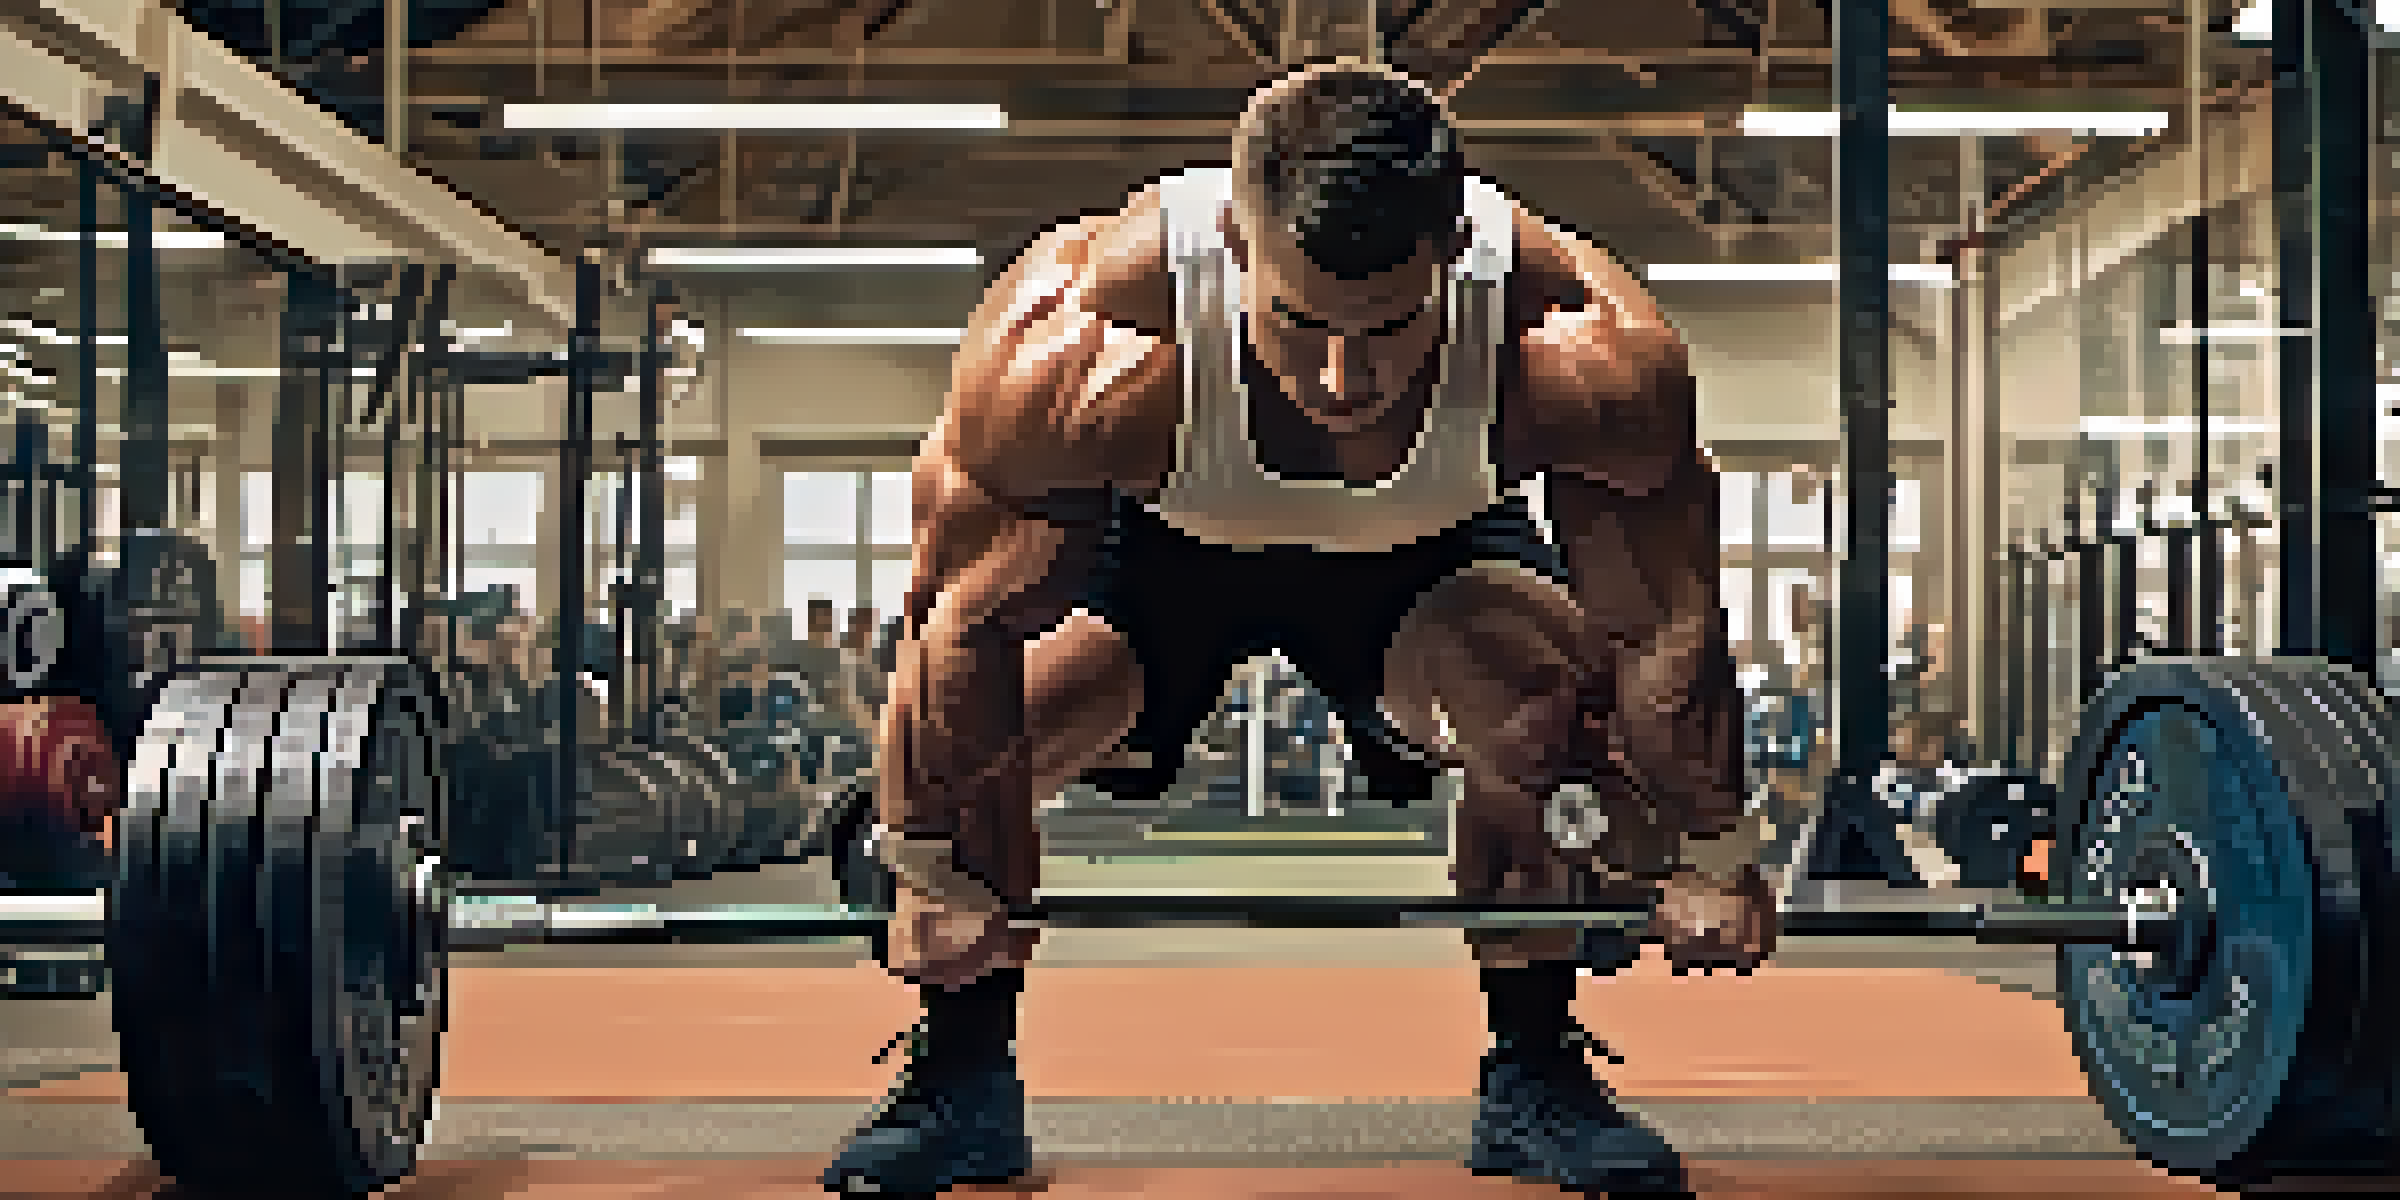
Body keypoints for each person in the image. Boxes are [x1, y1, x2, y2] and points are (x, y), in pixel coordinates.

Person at [834, 59, 1774, 1198]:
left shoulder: (1577, 353)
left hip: (1425, 550)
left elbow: (1664, 624)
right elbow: (960, 621)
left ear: (1448, 254)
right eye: (1299, 322)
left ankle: (1535, 1074)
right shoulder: (1083, 348)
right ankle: (964, 1079)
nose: (1343, 376)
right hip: (1161, 548)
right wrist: (926, 858)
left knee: (1540, 717)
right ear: (1237, 243)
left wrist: (1712, 849)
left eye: (1389, 328)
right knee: (1006, 722)